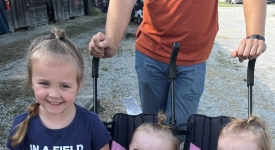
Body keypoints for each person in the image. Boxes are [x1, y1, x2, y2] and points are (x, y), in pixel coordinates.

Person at [88, 0, 267, 126]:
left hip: (194, 57)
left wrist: (255, 35)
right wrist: (111, 39)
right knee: (152, 126)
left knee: (178, 131)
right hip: (151, 50)